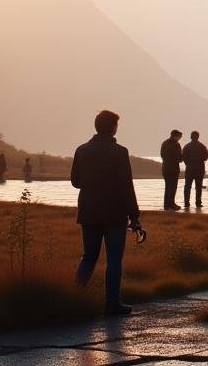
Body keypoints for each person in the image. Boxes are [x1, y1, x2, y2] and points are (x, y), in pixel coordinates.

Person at [71, 109, 140, 316]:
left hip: (88, 212)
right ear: (113, 127)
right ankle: (112, 303)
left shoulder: (82, 150)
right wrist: (134, 215)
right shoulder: (120, 152)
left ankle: (74, 296)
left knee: (89, 256)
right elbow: (126, 186)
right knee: (114, 259)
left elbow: (75, 182)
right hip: (114, 214)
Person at [182, 131, 208, 210]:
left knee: (187, 186)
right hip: (199, 168)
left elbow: (184, 157)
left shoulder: (186, 146)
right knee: (198, 186)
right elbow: (206, 156)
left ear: (191, 137)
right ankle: (198, 203)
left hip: (189, 168)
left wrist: (188, 163)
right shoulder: (202, 146)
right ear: (198, 137)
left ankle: (186, 203)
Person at [159, 129, 183, 211]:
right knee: (172, 187)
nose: (180, 139)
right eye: (179, 137)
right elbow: (179, 158)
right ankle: (172, 205)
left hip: (165, 168)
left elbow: (162, 154)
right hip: (173, 168)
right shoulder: (176, 144)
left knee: (168, 187)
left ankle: (167, 205)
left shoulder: (164, 143)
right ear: (176, 136)